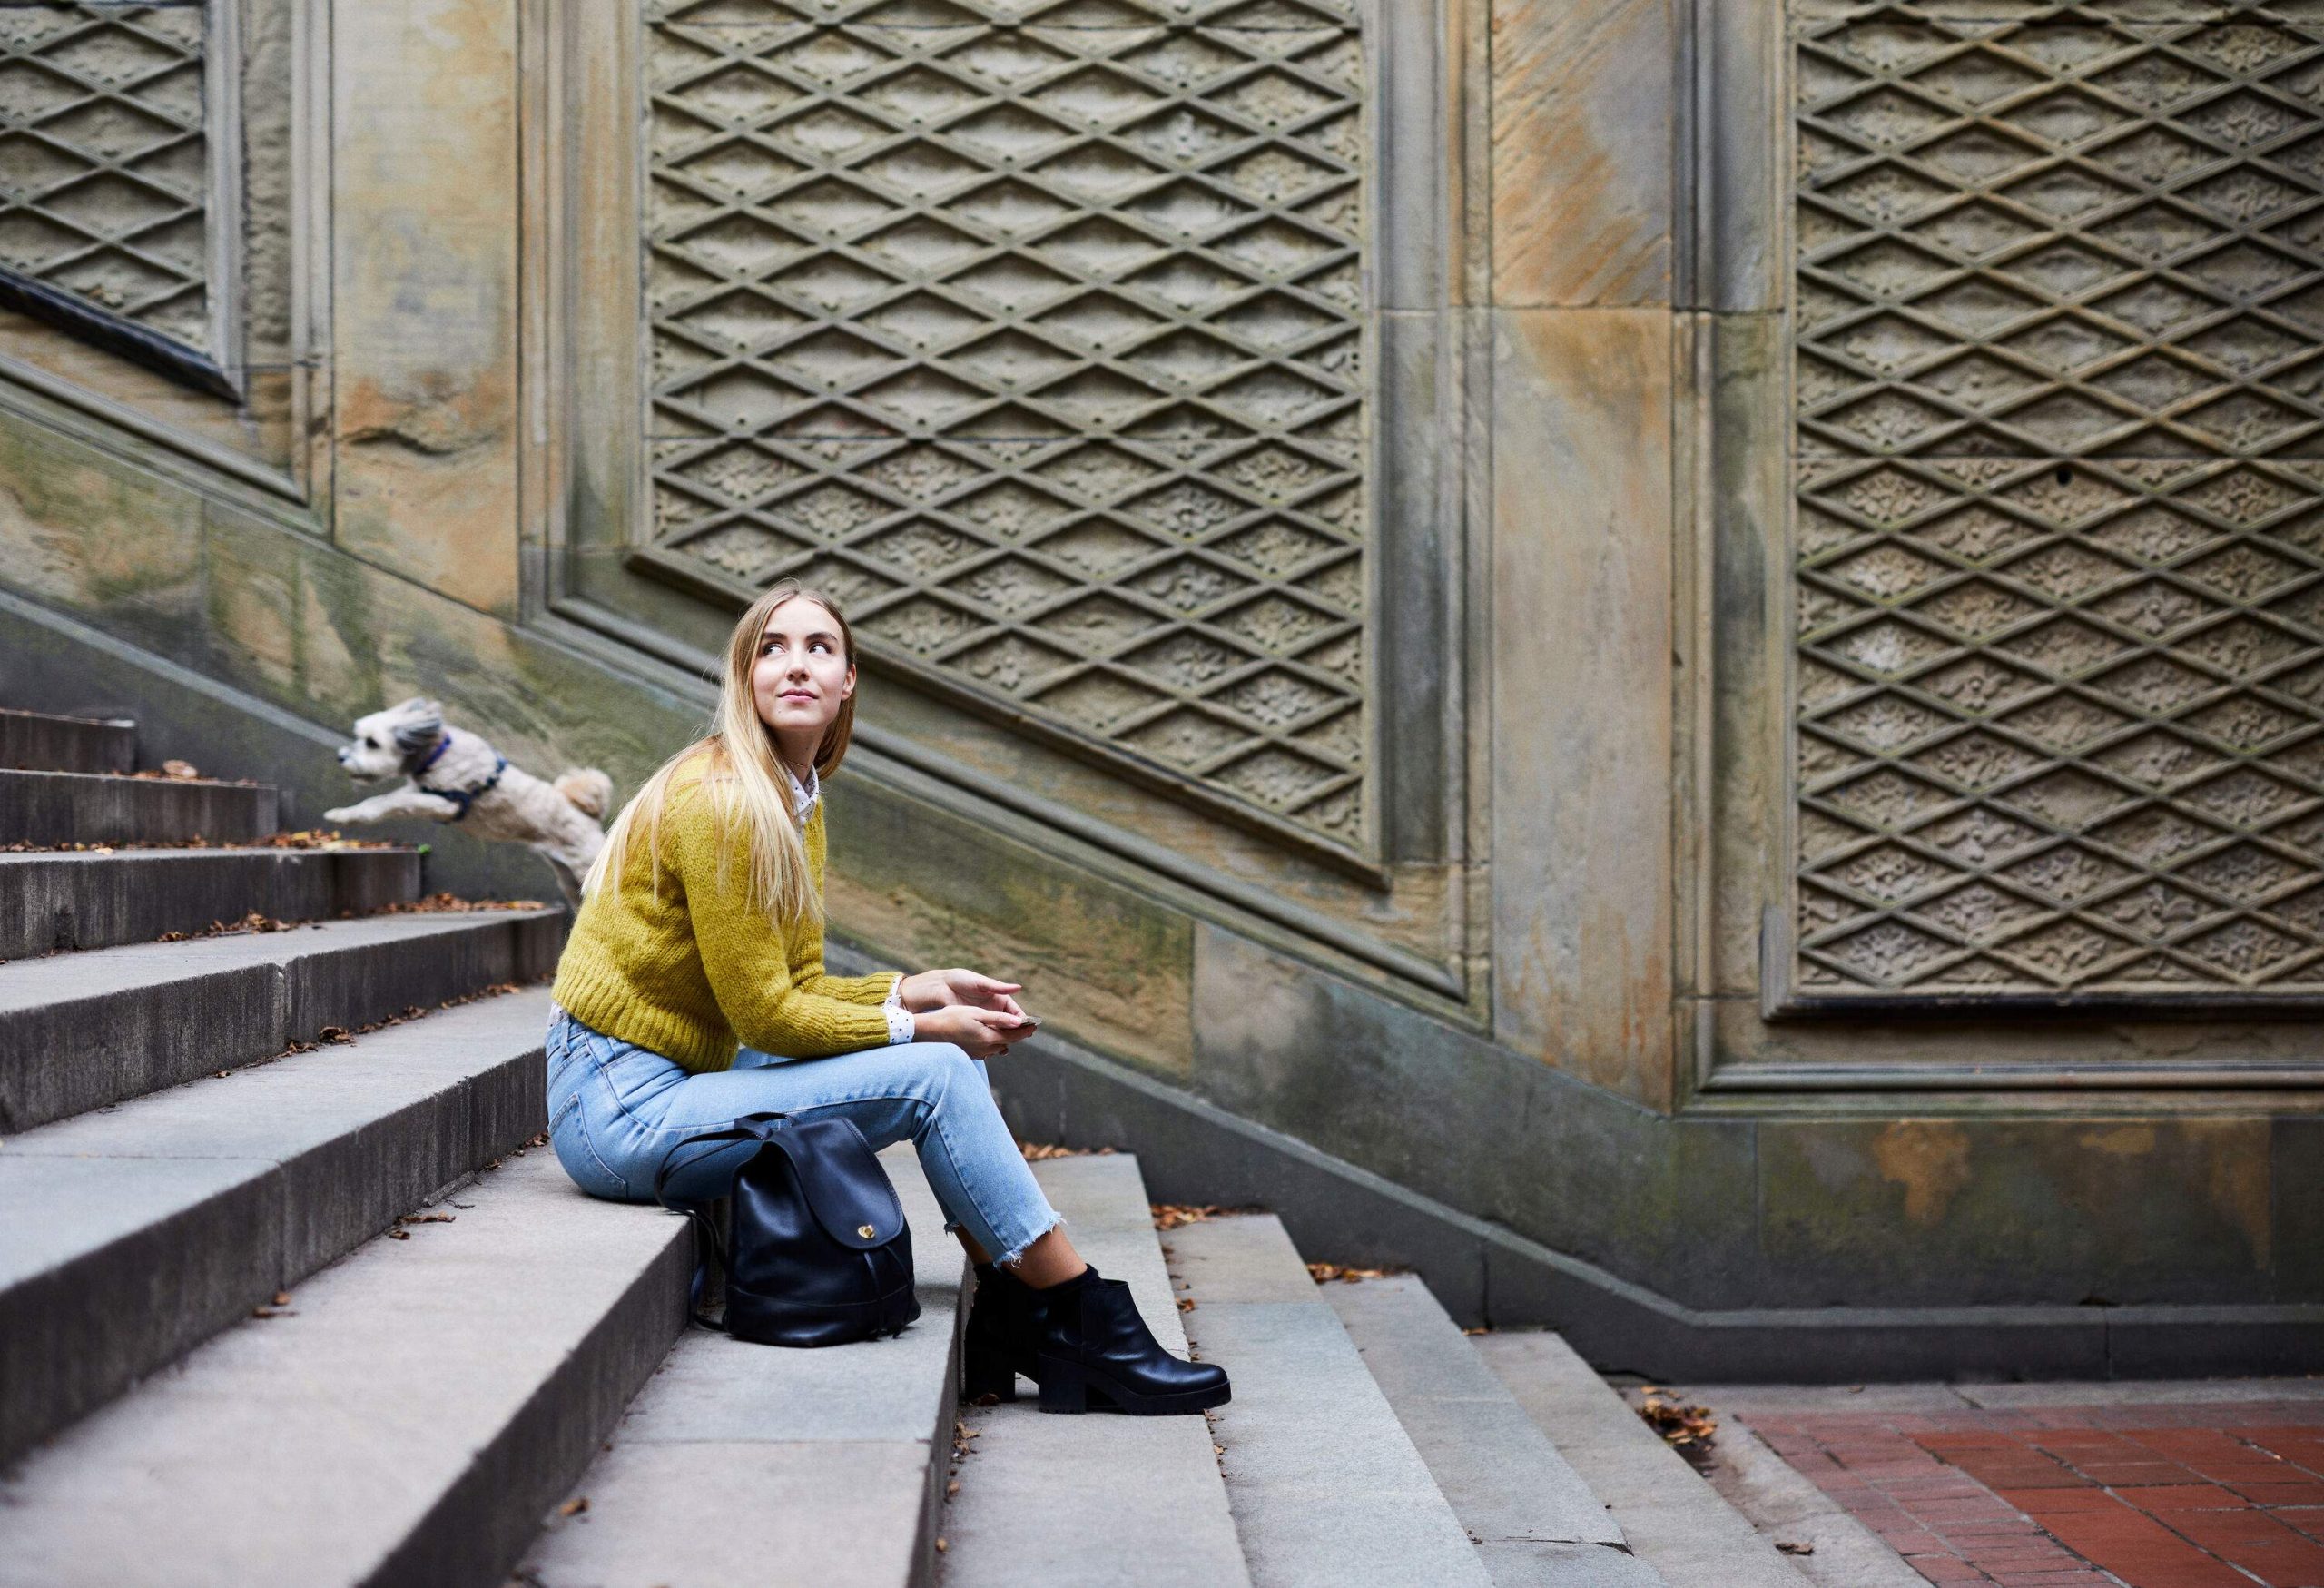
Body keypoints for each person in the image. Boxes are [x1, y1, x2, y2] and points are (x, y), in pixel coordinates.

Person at [543, 579, 1228, 1416]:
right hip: (619, 1105)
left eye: (818, 648)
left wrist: (913, 986)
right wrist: (917, 1024)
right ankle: (1076, 1316)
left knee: (936, 1059)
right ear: (744, 677)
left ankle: (1018, 1300)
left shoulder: (789, 792)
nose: (795, 665)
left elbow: (793, 989)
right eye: (771, 648)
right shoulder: (724, 802)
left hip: (687, 1069)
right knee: (936, 1071)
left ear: (849, 680)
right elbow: (770, 1016)